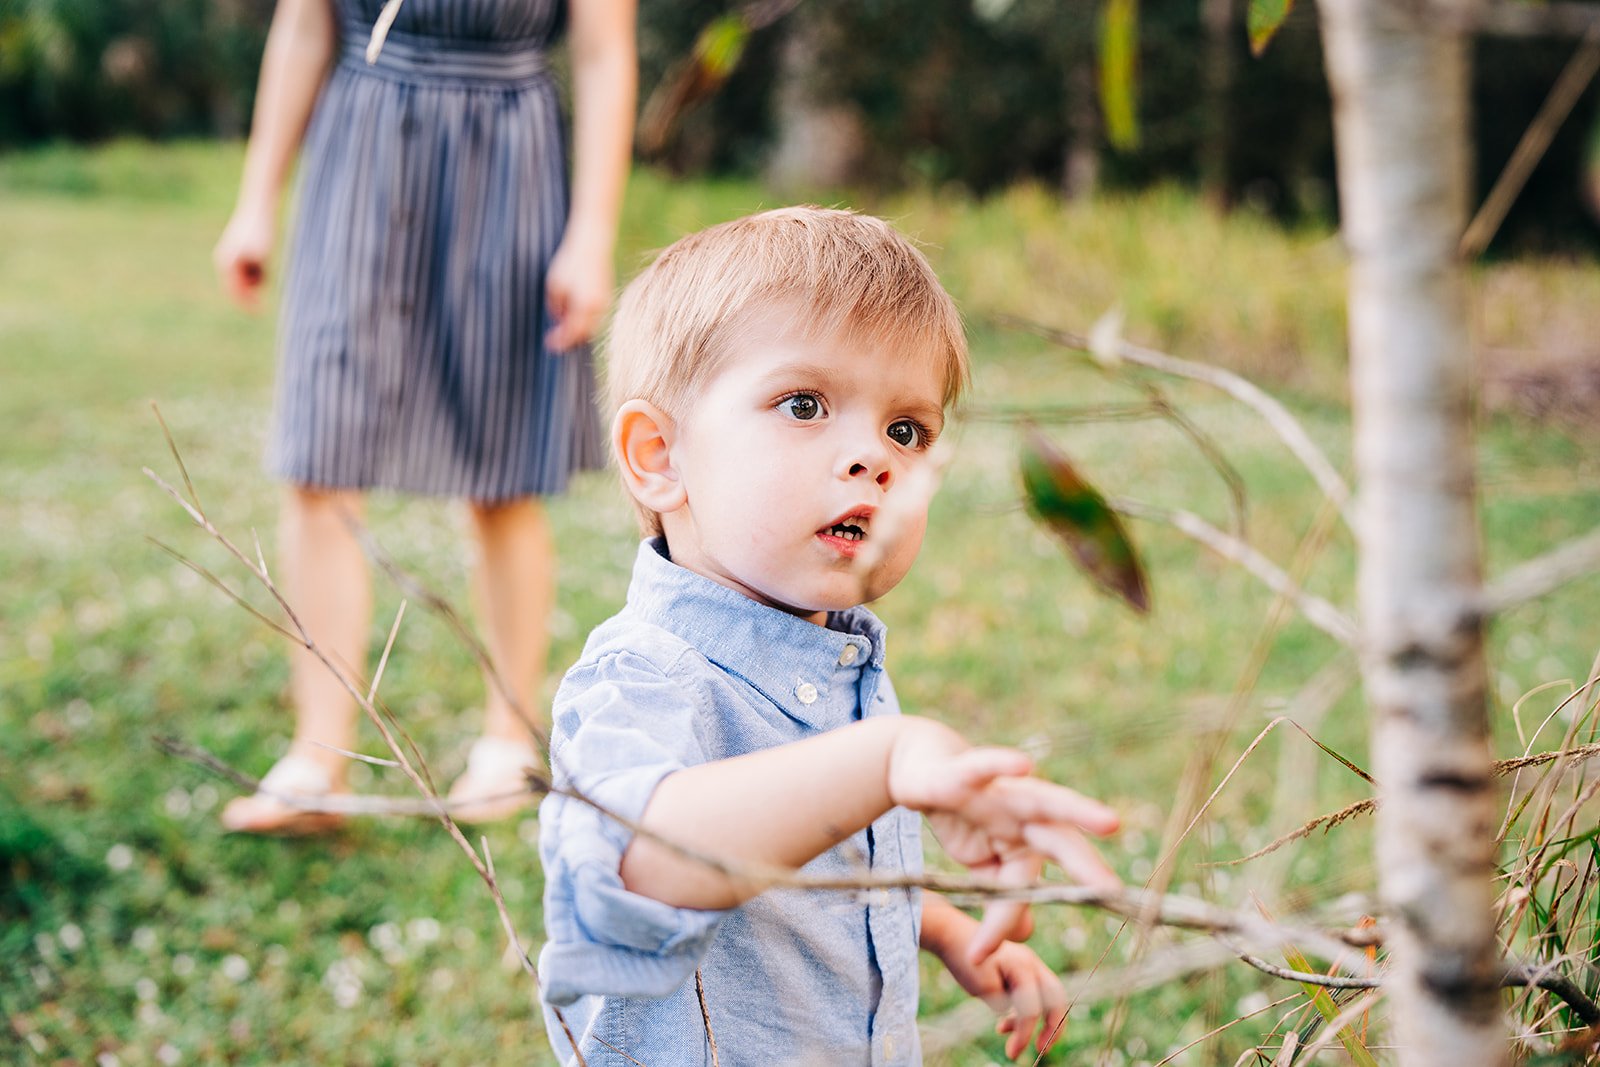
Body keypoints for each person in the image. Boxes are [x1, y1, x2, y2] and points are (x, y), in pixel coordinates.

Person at [537, 207, 1123, 1064]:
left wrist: (950, 930)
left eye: (907, 430)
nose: (874, 458)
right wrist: (884, 759)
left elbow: (810, 869)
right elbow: (636, 868)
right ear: (659, 455)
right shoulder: (647, 674)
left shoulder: (834, 659)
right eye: (804, 403)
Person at [211, 0, 635, 832]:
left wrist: (592, 233)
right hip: (359, 145)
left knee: (505, 471)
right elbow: (304, 25)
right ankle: (316, 757)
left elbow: (602, 54)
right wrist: (256, 199)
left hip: (508, 163)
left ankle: (506, 740)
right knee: (319, 458)